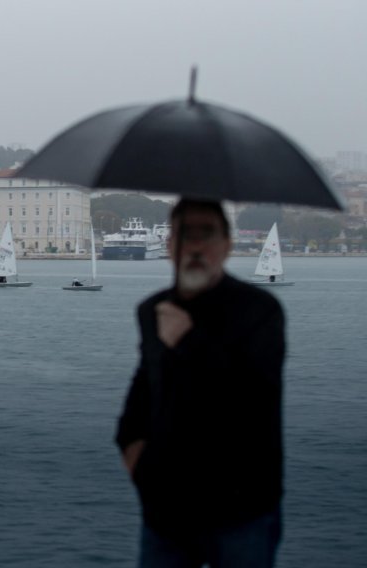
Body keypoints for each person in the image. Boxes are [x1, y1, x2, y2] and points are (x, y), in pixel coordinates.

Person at [116, 199, 285, 568]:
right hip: (167, 513)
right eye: (183, 235)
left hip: (243, 509)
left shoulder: (261, 312)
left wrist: (188, 340)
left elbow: (251, 399)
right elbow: (142, 396)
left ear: (226, 244)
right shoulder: (152, 310)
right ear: (168, 245)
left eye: (205, 234)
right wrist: (136, 457)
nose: (194, 245)